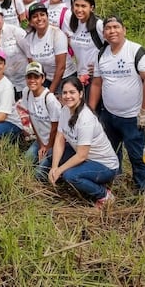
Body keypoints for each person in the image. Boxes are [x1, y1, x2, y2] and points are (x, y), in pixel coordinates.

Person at [88, 15, 145, 193]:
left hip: (133, 116)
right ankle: (115, 181)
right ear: (104, 34)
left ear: (124, 30)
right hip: (109, 114)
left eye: (116, 27)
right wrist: (91, 110)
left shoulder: (137, 51)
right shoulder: (101, 54)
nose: (112, 31)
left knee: (137, 154)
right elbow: (97, 83)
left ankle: (143, 188)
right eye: (108, 28)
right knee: (110, 151)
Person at [38, 76, 119, 208]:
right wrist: (54, 167)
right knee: (53, 154)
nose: (68, 96)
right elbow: (59, 138)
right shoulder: (65, 110)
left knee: (70, 175)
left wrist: (60, 170)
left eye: (72, 92)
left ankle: (104, 195)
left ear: (81, 94)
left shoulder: (85, 119)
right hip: (84, 157)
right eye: (65, 93)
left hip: (104, 165)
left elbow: (82, 155)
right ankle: (56, 180)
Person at [23, 3, 75, 94]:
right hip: (45, 78)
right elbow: (33, 66)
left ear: (47, 17)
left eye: (42, 15)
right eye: (35, 16)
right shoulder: (28, 39)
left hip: (65, 77)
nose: (39, 18)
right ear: (31, 22)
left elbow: (61, 67)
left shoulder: (57, 34)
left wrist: (50, 93)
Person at [16, 62, 61, 166]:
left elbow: (56, 127)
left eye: (36, 77)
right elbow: (32, 119)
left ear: (43, 78)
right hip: (41, 140)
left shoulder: (49, 99)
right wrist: (41, 144)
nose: (32, 80)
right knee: (25, 163)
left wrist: (48, 147)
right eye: (29, 77)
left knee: (39, 172)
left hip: (54, 142)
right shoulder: (26, 92)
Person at [68, 0, 105, 93]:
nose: (79, 9)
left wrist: (100, 66)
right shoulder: (74, 24)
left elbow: (113, 47)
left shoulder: (98, 25)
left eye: (83, 6)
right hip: (80, 78)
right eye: (77, 5)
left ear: (91, 8)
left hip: (96, 78)